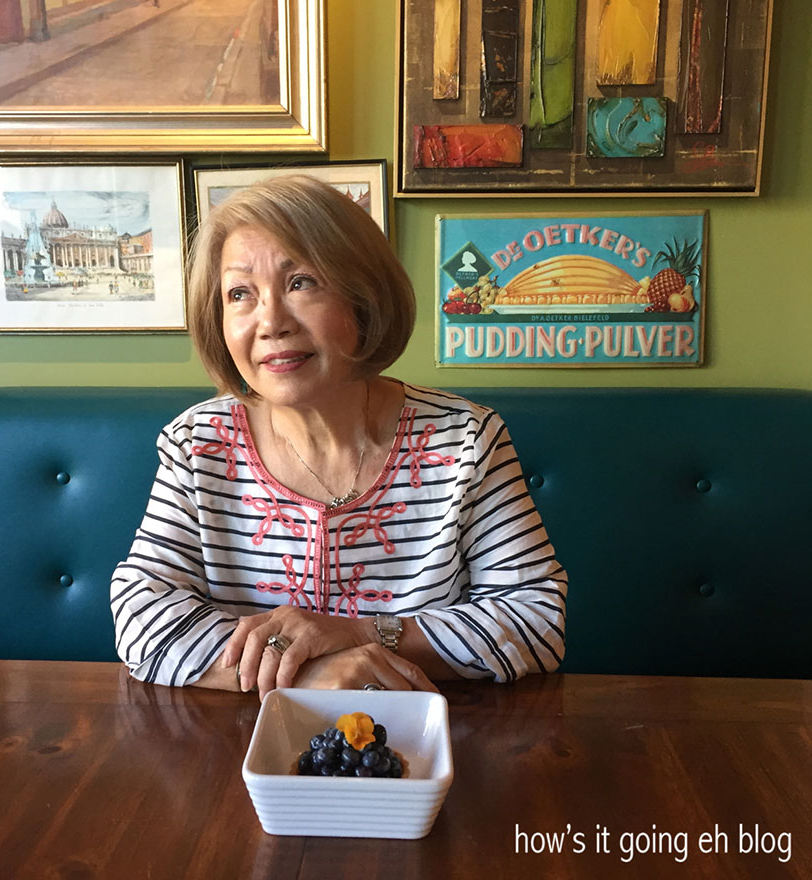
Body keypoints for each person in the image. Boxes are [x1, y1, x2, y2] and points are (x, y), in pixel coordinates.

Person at [110, 175, 566, 698]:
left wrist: (362, 634)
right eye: (240, 294)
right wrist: (305, 673)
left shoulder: (464, 439)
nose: (271, 322)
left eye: (301, 282)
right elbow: (141, 615)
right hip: (242, 741)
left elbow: (537, 620)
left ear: (362, 297)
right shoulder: (198, 443)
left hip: (422, 737)